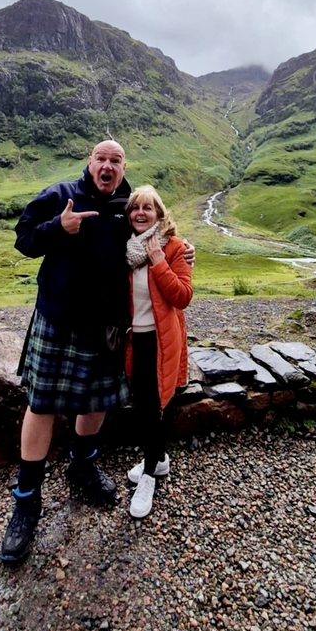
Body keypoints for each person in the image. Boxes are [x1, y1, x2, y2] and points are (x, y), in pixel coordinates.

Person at [0, 141, 194, 563]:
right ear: (90, 163)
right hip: (58, 319)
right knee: (42, 404)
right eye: (101, 159)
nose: (107, 166)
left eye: (116, 160)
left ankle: (82, 465)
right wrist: (58, 228)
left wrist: (184, 249)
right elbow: (24, 240)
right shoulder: (60, 195)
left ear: (124, 167)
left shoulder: (128, 207)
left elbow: (157, 232)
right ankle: (26, 503)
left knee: (98, 403)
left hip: (105, 327)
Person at [124, 185, 193, 519]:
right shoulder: (125, 250)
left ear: (159, 215)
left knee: (153, 406)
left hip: (161, 340)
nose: (140, 212)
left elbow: (182, 296)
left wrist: (158, 261)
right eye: (135, 207)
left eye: (148, 208)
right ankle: (160, 459)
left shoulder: (174, 248)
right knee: (143, 404)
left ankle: (149, 476)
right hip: (133, 341)